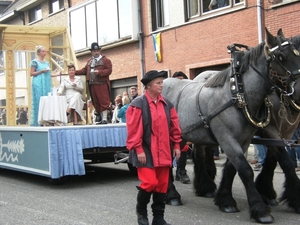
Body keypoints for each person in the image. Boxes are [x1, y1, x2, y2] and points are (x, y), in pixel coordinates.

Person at [126, 70, 181, 225]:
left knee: (162, 186)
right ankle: (141, 213)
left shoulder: (167, 105)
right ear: (148, 86)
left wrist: (176, 145)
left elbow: (174, 127)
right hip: (145, 151)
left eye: (162, 82)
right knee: (150, 183)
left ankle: (158, 218)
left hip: (164, 151)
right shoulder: (138, 104)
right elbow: (133, 129)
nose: (161, 85)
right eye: (158, 83)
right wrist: (138, 149)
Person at [75, 42, 112, 124]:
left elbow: (109, 70)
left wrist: (99, 72)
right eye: (94, 51)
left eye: (97, 50)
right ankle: (101, 118)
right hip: (92, 84)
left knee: (103, 100)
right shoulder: (89, 61)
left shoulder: (106, 60)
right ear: (91, 52)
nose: (96, 52)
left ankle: (105, 118)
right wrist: (74, 72)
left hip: (102, 83)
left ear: (100, 51)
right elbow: (84, 70)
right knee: (96, 101)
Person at [29, 45, 59, 126]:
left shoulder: (47, 62)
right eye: (43, 51)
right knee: (39, 100)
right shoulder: (35, 62)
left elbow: (48, 74)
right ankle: (38, 121)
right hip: (38, 82)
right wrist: (41, 71)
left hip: (46, 82)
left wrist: (56, 74)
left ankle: (46, 120)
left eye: (45, 51)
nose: (44, 53)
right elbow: (31, 73)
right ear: (38, 53)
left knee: (47, 100)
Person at [172, 71, 191, 184]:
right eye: (178, 80)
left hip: (183, 124)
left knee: (183, 148)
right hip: (172, 124)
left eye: (182, 79)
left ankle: (181, 171)